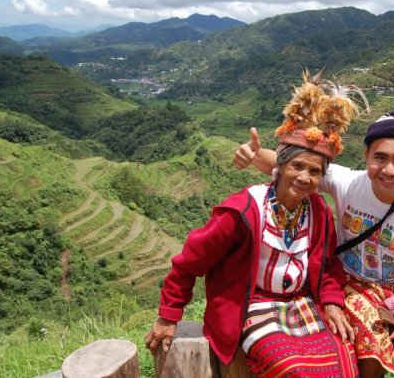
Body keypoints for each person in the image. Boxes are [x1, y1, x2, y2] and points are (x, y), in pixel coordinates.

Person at [145, 72, 361, 377]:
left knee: (342, 358)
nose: (304, 177)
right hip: (252, 304)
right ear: (280, 167)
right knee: (291, 367)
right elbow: (190, 261)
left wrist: (332, 301)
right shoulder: (243, 210)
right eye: (296, 166)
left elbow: (328, 268)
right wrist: (169, 315)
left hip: (301, 303)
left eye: (314, 171)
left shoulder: (319, 212)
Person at [235, 112, 394, 378]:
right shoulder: (349, 183)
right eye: (380, 158)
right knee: (368, 334)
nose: (389, 170)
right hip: (345, 278)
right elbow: (294, 167)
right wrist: (252, 154)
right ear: (367, 156)